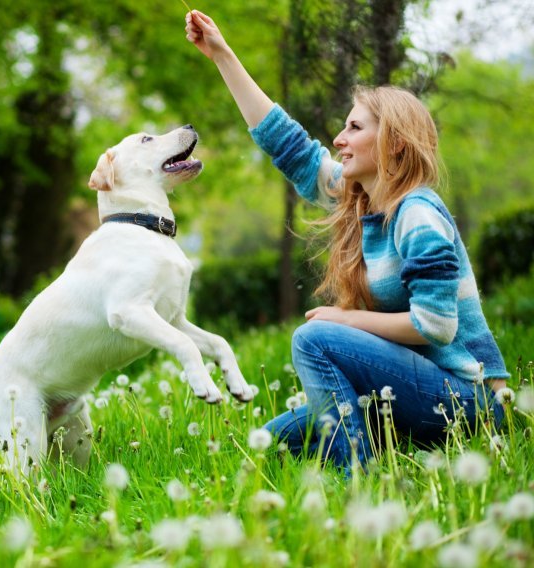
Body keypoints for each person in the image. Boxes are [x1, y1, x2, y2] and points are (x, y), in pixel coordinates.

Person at [184, 10, 510, 474]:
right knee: (271, 442)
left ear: (394, 143)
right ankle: (367, 449)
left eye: (355, 128)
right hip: (408, 388)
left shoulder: (417, 214)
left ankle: (356, 477)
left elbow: (436, 326)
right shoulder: (364, 202)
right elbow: (288, 145)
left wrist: (346, 319)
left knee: (314, 338)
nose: (339, 139)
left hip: (465, 400)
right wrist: (222, 55)